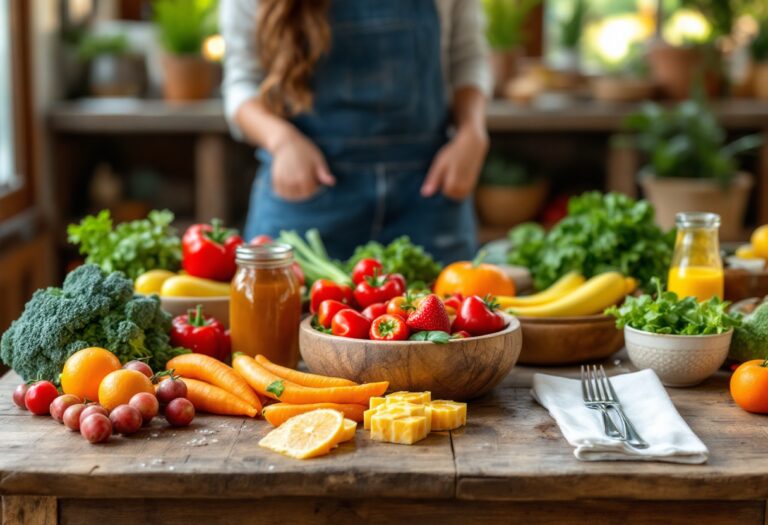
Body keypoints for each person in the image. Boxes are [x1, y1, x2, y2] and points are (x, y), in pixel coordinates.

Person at [221, 0, 491, 263]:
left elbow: (468, 58)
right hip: (309, 190)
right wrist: (280, 141)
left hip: (427, 192)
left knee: (446, 308)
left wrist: (472, 132)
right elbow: (241, 81)